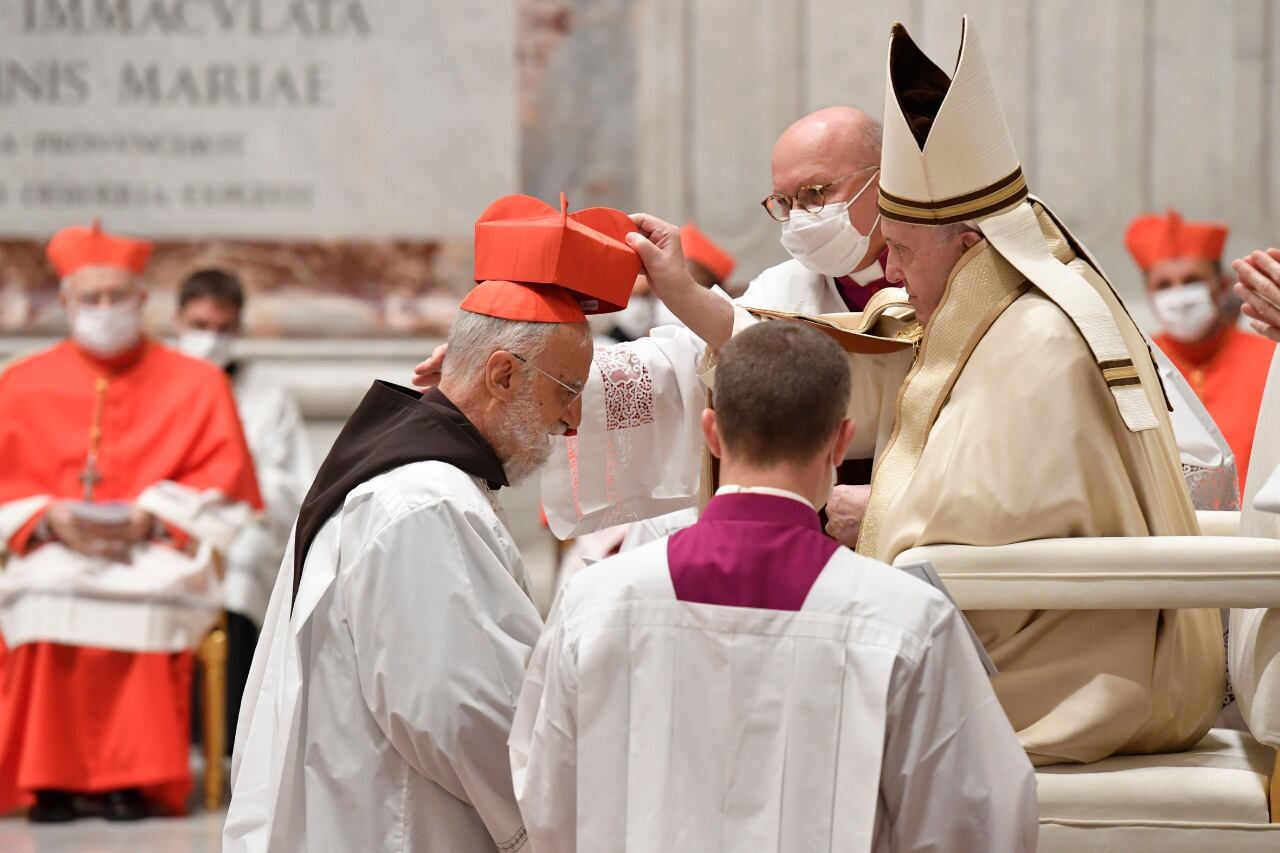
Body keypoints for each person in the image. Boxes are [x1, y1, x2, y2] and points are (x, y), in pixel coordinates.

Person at [622, 17, 1224, 766]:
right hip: (1054, 623)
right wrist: (690, 300)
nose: (893, 273)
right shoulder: (987, 307)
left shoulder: (1039, 339)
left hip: (1081, 663)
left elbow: (996, 512)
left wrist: (871, 508)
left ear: (968, 243)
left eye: (902, 250)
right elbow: (866, 372)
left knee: (775, 699)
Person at [510, 322, 1037, 853]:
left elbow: (546, 800)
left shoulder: (594, 602)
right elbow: (979, 819)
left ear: (711, 434)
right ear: (840, 442)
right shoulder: (906, 620)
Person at [223, 193, 639, 853]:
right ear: (502, 375)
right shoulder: (425, 501)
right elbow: (463, 710)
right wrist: (565, 826)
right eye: (566, 391)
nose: (572, 423)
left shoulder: (416, 473)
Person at [414, 106, 913, 534]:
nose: (800, 215)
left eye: (815, 193)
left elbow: (828, 376)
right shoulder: (787, 285)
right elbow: (680, 373)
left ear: (886, 175)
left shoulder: (947, 283)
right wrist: (512, 368)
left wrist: (683, 292)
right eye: (784, 202)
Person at [0, 221, 262, 821]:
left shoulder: (196, 384)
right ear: (64, 303)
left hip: (155, 547)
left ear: (143, 300)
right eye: (90, 298)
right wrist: (48, 517)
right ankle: (51, 782)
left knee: (145, 591)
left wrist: (152, 518)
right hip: (52, 545)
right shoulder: (20, 383)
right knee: (39, 592)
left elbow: (224, 482)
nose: (104, 309)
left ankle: (134, 781)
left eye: (117, 296)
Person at [173, 268, 312, 749]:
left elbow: (291, 481)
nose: (209, 339)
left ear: (238, 328)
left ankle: (229, 730)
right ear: (177, 320)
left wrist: (237, 485)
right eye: (198, 325)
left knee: (244, 562)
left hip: (239, 520)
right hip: (167, 521)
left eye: (222, 328)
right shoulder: (156, 383)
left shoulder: (267, 396)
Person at [1126, 209, 1275, 489]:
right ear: (1148, 294)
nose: (1179, 296)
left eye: (1192, 281)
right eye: (1164, 285)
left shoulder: (1270, 360)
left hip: (1258, 528)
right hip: (1171, 531)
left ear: (1220, 287)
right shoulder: (1135, 365)